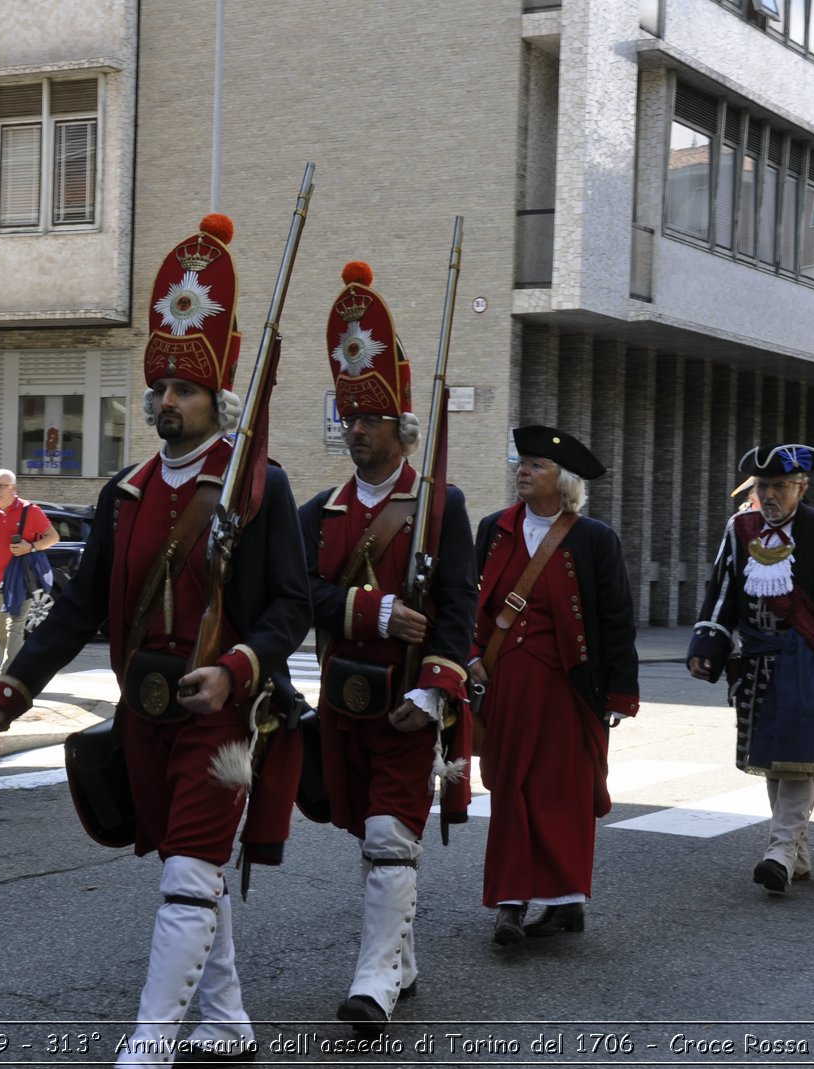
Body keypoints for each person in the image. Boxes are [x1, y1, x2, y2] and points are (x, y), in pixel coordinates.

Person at [0, 214, 311, 1065]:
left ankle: (151, 1041)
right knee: (186, 869)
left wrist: (239, 667)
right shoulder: (123, 490)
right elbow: (83, 602)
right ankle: (227, 1019)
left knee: (189, 873)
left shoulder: (258, 486)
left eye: (184, 389)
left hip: (220, 715)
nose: (166, 400)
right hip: (145, 710)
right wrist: (20, 679)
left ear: (218, 399)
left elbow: (289, 605)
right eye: (158, 385)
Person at [297, 262, 474, 1034]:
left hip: (408, 700)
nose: (357, 429)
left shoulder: (441, 505)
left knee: (387, 833)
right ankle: (400, 955)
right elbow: (297, 595)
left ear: (401, 425)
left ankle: (373, 980)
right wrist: (369, 609)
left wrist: (433, 687)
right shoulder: (320, 510)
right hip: (343, 694)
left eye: (370, 418)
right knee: (367, 829)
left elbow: (459, 606)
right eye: (349, 418)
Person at [467, 427, 639, 945]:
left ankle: (566, 902)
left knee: (562, 793)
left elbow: (615, 620)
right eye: (522, 463)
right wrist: (471, 656)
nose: (522, 471)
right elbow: (471, 602)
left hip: (570, 688)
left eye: (536, 465)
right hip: (509, 687)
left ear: (562, 483)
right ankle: (511, 902)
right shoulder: (492, 529)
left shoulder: (594, 539)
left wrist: (619, 694)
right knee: (511, 790)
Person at [688, 444, 814, 895]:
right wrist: (708, 643)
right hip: (756, 660)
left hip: (808, 659)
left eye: (779, 486)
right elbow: (721, 592)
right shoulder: (740, 528)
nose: (769, 495)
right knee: (773, 761)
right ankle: (796, 851)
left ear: (801, 486)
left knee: (796, 759)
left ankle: (776, 851)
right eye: (762, 486)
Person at [0, 468, 59, 672]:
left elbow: (53, 537)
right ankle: (20, 668)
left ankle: (6, 675)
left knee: (15, 626)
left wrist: (31, 547)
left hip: (21, 577)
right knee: (0, 631)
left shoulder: (31, 511)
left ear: (14, 488)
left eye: (2, 486)